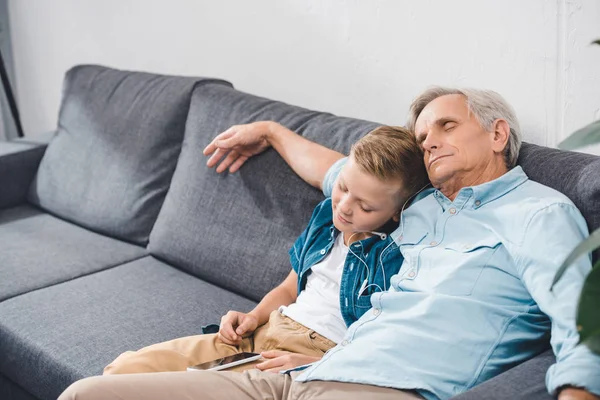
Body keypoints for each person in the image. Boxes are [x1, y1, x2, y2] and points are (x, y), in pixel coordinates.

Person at [59, 87, 600, 400]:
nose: (429, 139)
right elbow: (339, 174)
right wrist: (270, 130)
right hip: (299, 371)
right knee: (87, 395)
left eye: (447, 125)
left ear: (498, 134)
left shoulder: (539, 213)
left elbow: (584, 325)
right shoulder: (420, 204)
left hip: (376, 389)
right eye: (422, 135)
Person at [102, 126, 428, 375]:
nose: (343, 207)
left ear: (399, 212)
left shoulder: (397, 256)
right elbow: (289, 287)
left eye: (365, 207)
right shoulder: (326, 217)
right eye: (343, 187)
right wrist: (252, 317)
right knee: (123, 370)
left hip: (312, 353)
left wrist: (323, 363)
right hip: (266, 330)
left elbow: (386, 342)